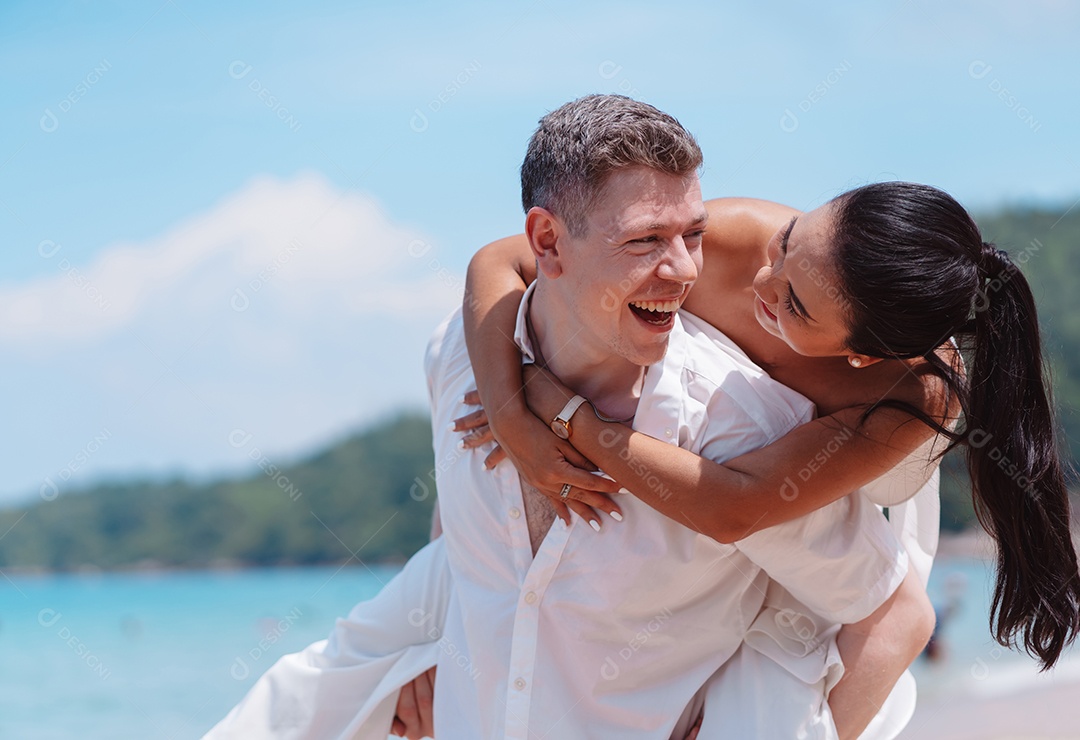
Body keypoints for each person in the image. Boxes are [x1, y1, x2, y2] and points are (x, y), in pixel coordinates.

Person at [205, 95, 928, 740]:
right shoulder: (461, 348)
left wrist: (566, 417)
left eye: (691, 235)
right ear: (548, 242)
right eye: (646, 240)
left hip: (821, 474)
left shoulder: (745, 427)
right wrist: (440, 645)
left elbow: (879, 602)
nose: (684, 271)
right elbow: (468, 510)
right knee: (306, 695)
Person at [455, 178, 1080, 681]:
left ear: (860, 354)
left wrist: (562, 410)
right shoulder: (740, 235)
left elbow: (736, 507)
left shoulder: (914, 393)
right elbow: (500, 258)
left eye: (796, 304)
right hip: (766, 440)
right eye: (787, 245)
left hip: (882, 477)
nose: (762, 281)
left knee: (896, 621)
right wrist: (511, 415)